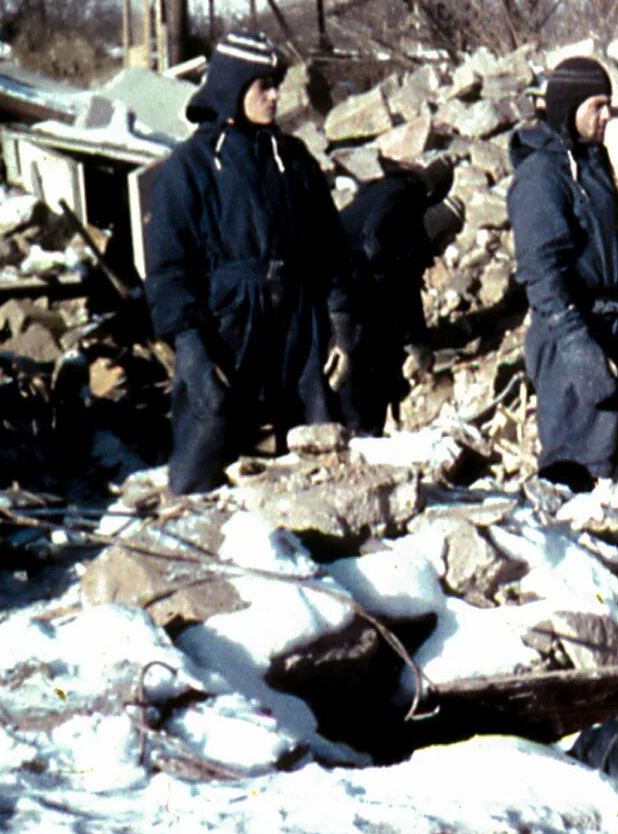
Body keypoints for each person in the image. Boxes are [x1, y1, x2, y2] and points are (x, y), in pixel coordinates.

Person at [143, 29, 356, 494]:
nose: (276, 95)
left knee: (318, 424)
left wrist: (340, 317)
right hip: (229, 316)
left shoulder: (294, 159)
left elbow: (329, 246)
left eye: (276, 83)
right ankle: (190, 517)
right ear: (231, 89)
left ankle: (322, 530)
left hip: (297, 313)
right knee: (209, 421)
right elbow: (168, 268)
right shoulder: (190, 166)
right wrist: (191, 344)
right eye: (264, 86)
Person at [507, 56, 618, 489]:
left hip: (605, 317)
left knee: (600, 453)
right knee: (574, 463)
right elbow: (540, 269)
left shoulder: (592, 162)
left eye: (609, 104)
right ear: (569, 107)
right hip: (570, 329)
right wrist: (574, 339)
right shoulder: (542, 175)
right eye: (597, 105)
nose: (607, 115)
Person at [337, 156, 466, 434]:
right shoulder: (404, 212)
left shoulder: (384, 192)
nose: (443, 250)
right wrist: (416, 341)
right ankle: (357, 432)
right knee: (357, 359)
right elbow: (401, 286)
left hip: (341, 281)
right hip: (350, 289)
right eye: (445, 239)